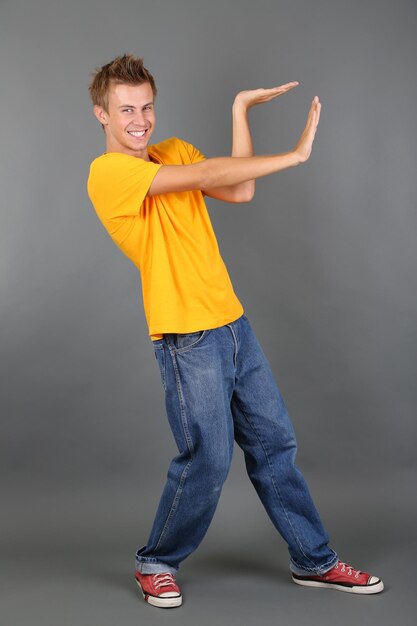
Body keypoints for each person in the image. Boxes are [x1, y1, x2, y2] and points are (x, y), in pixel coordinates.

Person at [87, 53, 384, 609]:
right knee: (209, 457)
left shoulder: (171, 149)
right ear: (101, 114)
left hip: (232, 324)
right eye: (125, 109)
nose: (139, 119)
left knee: (275, 444)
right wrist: (294, 156)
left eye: (146, 106)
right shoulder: (109, 174)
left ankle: (313, 560)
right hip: (185, 337)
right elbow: (203, 177)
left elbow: (238, 189)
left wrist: (240, 110)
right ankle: (156, 560)